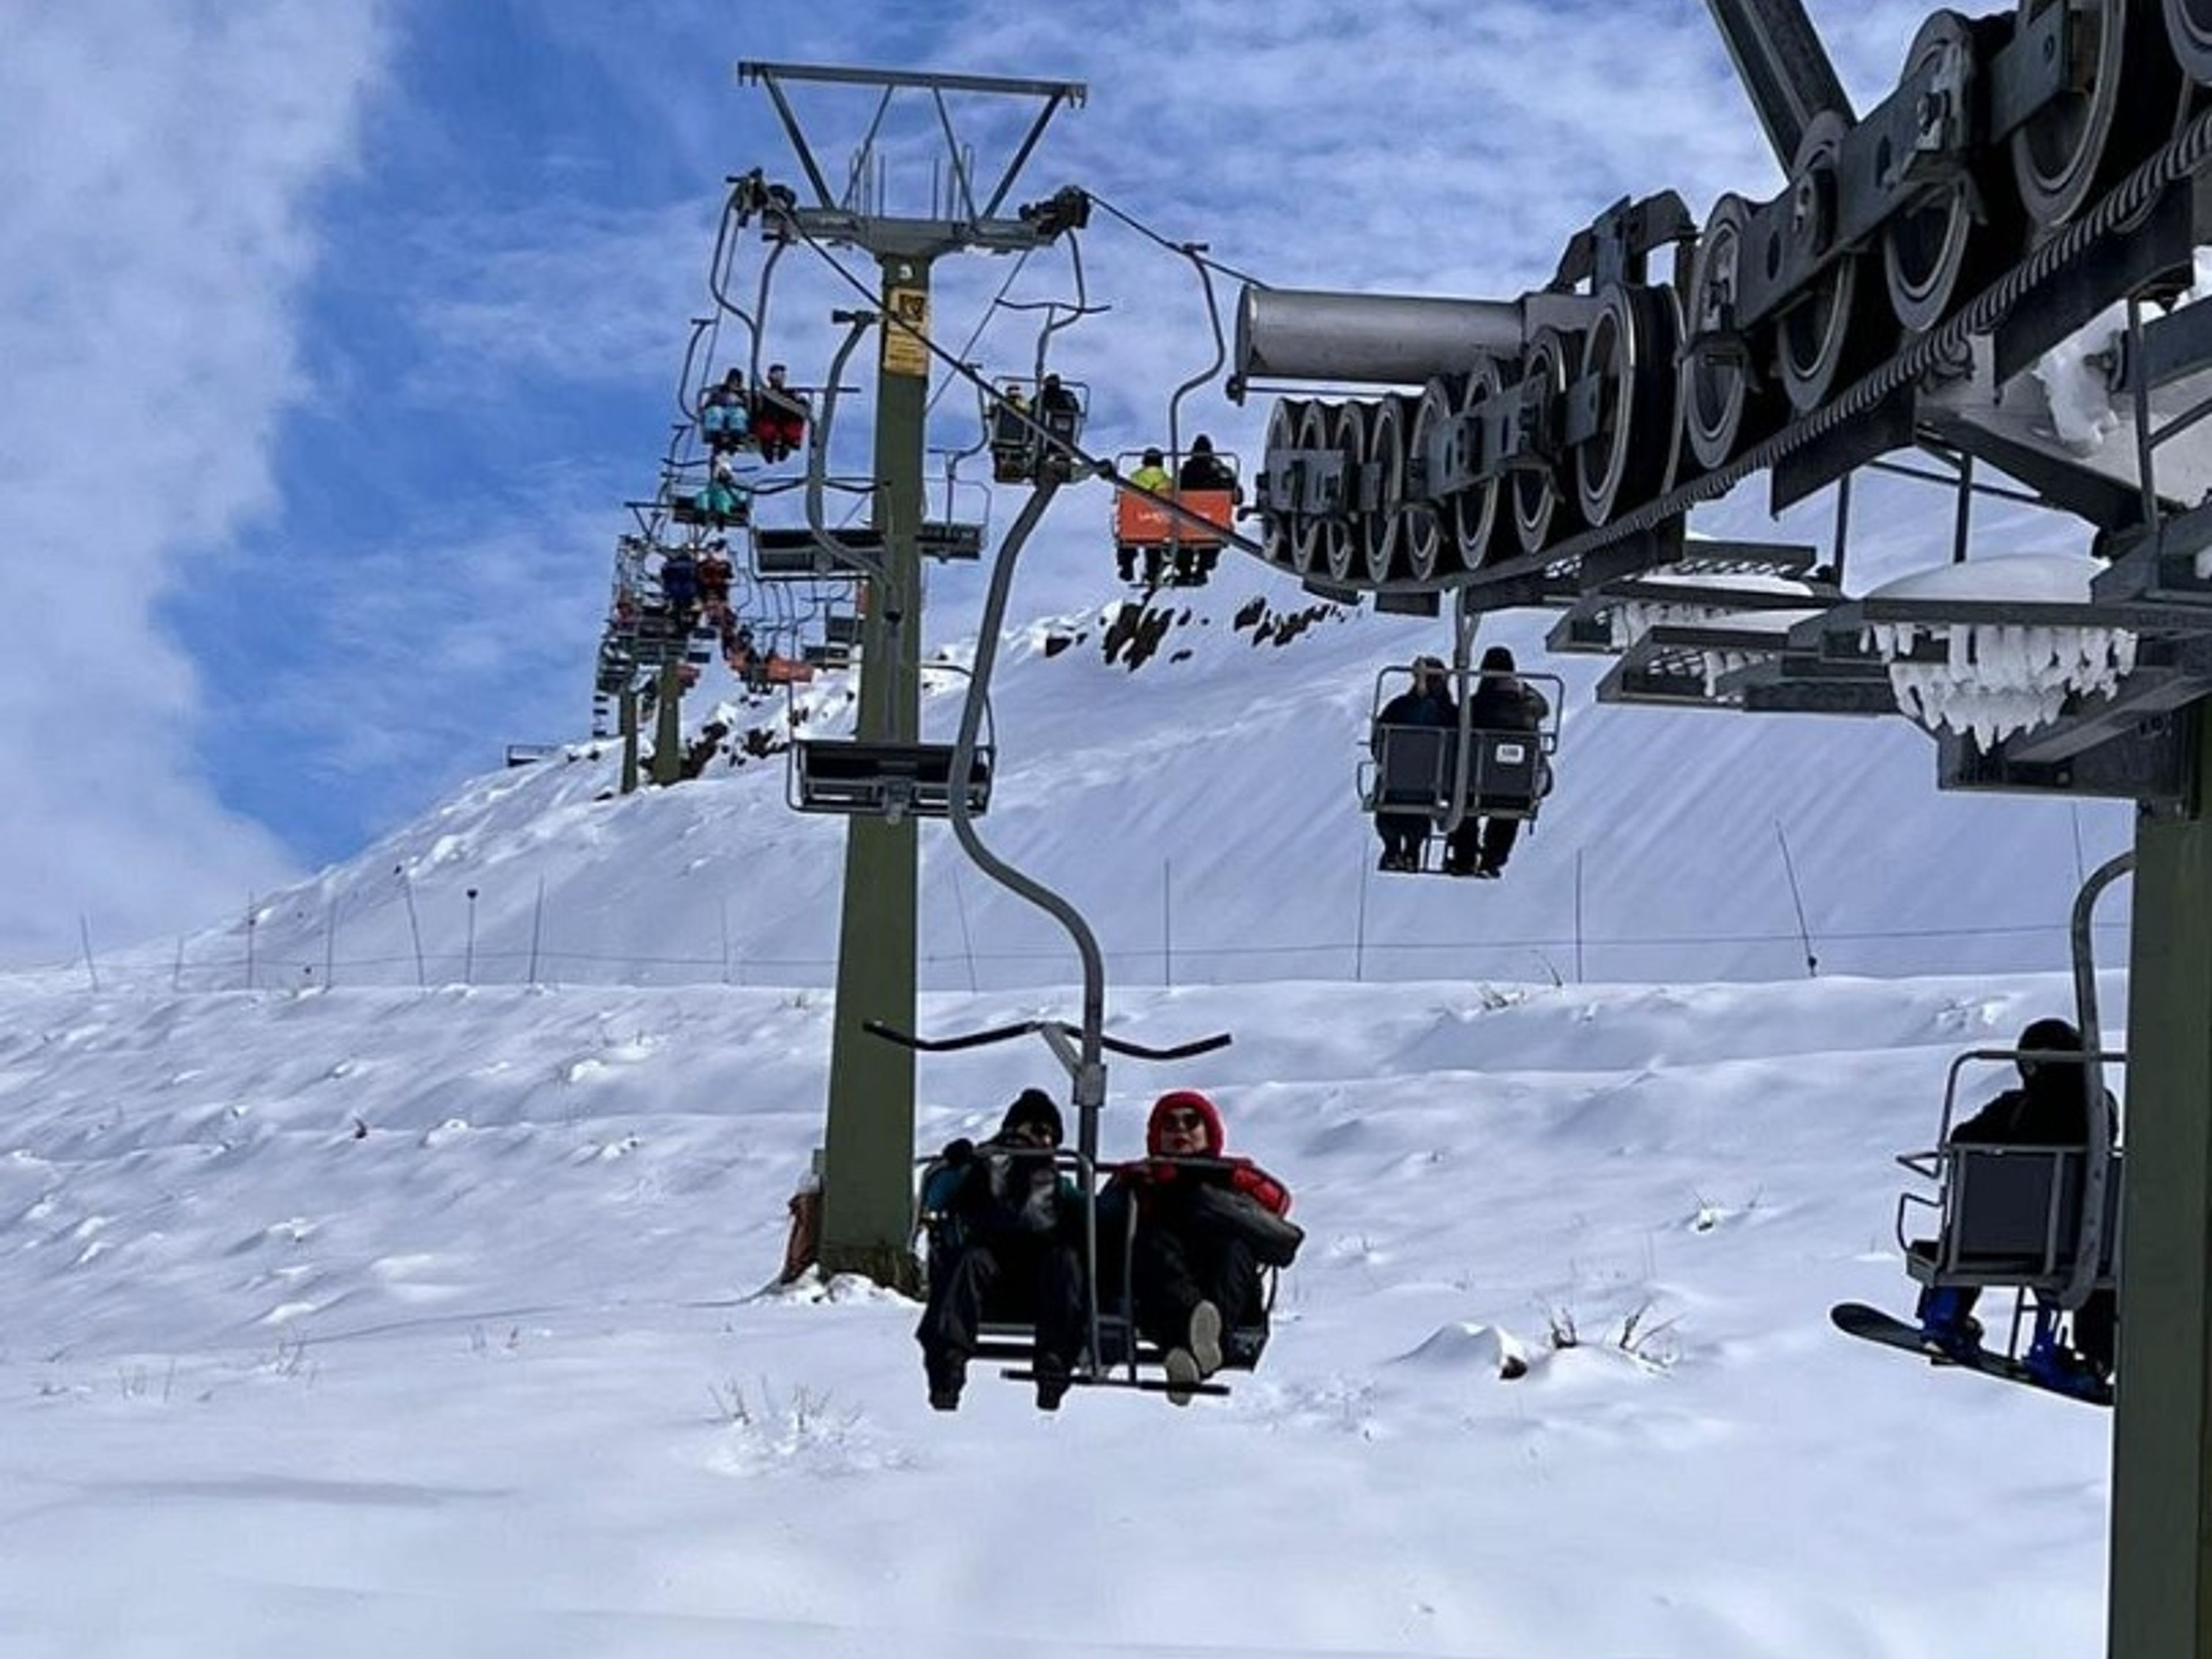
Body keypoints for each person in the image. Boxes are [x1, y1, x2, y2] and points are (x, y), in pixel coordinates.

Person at [1917, 1017, 2118, 1396]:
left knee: (1973, 1223)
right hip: (2080, 1242)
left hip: (2004, 1237)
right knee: (2106, 1264)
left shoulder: (2017, 1106)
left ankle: (1947, 1316)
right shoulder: (2100, 1107)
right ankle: (2095, 1359)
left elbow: (1962, 1140)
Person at [1101, 1090, 1299, 1406]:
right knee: (1151, 1241)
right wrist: (1133, 1185)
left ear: (1209, 1131)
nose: (1180, 1130)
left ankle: (1192, 1341)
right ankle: (1196, 1340)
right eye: (1170, 1123)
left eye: (1191, 1122)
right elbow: (1101, 1222)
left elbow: (1274, 1209)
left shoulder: (1232, 1177)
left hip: (1224, 1286)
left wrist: (1223, 1180)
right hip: (1155, 1294)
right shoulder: (1142, 1178)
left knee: (1233, 1247)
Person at [915, 1089, 1086, 1412]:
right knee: (968, 1260)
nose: (1043, 1138)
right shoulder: (979, 1165)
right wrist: (955, 1166)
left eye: (1050, 1135)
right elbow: (935, 1198)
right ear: (1015, 1127)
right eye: (1036, 1129)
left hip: (1038, 1277)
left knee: (1064, 1260)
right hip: (987, 1271)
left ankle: (1054, 1365)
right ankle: (946, 1371)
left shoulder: (1055, 1181)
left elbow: (1093, 1214)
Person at [1444, 646, 1551, 878]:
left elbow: (1454, 722)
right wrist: (1523, 688)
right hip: (1515, 788)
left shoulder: (1474, 706)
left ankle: (1464, 859)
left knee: (1464, 806)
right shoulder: (1527, 707)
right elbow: (1545, 708)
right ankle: (1492, 860)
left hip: (1474, 786)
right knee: (1509, 809)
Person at [1372, 656, 1456, 872]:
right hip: (1432, 788)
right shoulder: (1452, 715)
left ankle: (1393, 850)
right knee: (1420, 808)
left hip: (1395, 786)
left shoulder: (1398, 707)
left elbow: (1378, 746)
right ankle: (1411, 851)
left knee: (1392, 808)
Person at [1174, 435, 1241, 578]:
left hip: (1186, 526)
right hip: (1214, 525)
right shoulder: (1221, 473)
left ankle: (1184, 569)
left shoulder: (1184, 473)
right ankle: (1203, 567)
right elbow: (1238, 498)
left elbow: (1172, 495)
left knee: (1182, 530)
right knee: (1215, 531)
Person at [1120, 448, 1175, 584]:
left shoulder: (1135, 478)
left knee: (1128, 536)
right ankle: (1152, 572)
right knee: (1155, 544)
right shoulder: (1167, 481)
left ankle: (1127, 566)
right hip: (1157, 525)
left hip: (1136, 524)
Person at [752, 363, 809, 463]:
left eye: (782, 375)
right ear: (770, 377)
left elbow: (803, 406)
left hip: (786, 424)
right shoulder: (765, 394)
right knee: (770, 409)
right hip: (769, 423)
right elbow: (756, 409)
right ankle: (768, 443)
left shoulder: (789, 394)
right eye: (777, 374)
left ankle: (788, 441)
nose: (781, 377)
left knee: (797, 411)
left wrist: (801, 402)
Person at [1036, 374, 1082, 480]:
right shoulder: (1067, 395)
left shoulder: (1043, 396)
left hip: (1048, 437)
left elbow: (1032, 409)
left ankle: (1044, 463)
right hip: (1066, 437)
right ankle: (1063, 462)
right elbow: (1077, 410)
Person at [699, 368, 751, 450]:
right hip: (720, 410)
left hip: (734, 412)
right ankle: (715, 434)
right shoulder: (719, 389)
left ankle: (736, 435)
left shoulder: (743, 393)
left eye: (736, 380)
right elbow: (709, 402)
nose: (734, 382)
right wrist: (706, 408)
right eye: (732, 379)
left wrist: (744, 399)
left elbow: (748, 407)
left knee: (738, 414)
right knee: (715, 412)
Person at [991, 382, 1032, 483]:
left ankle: (1001, 472)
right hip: (1020, 442)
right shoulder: (1025, 406)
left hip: (1001, 441)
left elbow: (992, 414)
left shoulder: (1001, 405)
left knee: (997, 452)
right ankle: (1019, 471)